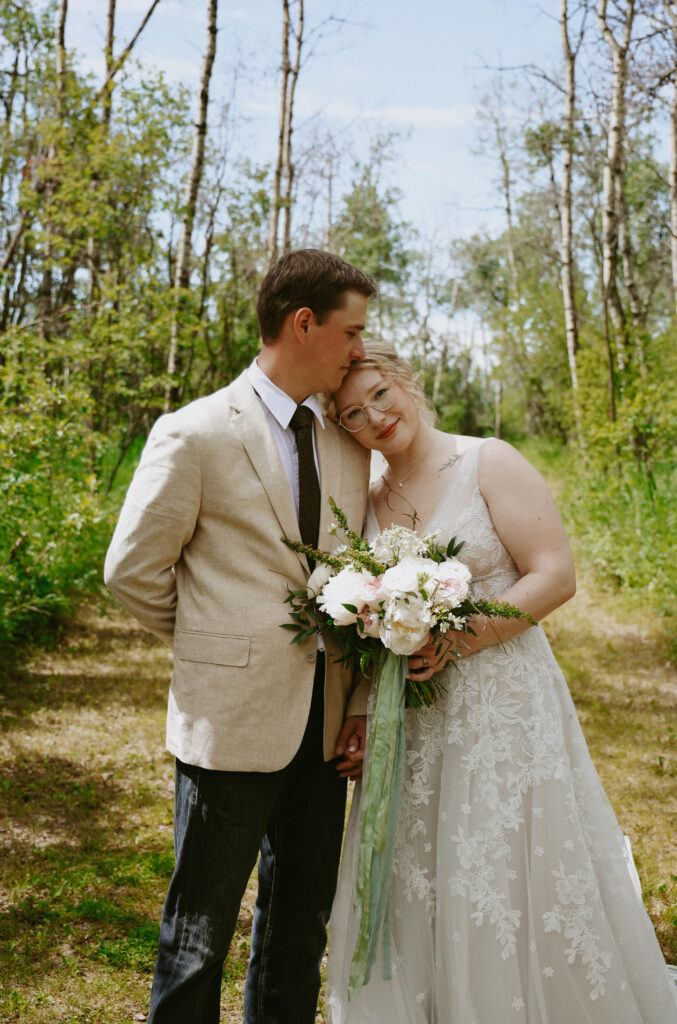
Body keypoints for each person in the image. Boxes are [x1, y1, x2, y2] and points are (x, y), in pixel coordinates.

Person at [325, 340, 677, 1023]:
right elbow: (368, 619)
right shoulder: (365, 500)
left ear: (403, 382)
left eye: (378, 395)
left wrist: (460, 638)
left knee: (506, 858)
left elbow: (553, 574)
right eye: (350, 415)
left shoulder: (487, 459)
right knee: (418, 865)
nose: (372, 417)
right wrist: (367, 706)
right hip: (415, 715)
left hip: (502, 702)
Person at [104, 249, 377, 1024]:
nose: (359, 349)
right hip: (227, 719)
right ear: (303, 323)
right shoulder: (193, 433)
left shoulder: (349, 442)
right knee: (199, 935)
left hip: (322, 729)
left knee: (297, 929)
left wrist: (354, 695)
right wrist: (215, 639)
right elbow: (131, 570)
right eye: (350, 331)